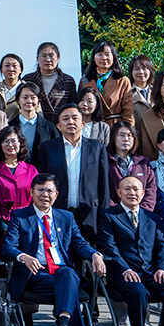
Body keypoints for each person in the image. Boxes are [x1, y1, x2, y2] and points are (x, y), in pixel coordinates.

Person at [0, 174, 107, 326]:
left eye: (49, 190)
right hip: (35, 274)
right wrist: (24, 257)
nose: (45, 194)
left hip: (60, 272)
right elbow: (8, 247)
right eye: (40, 189)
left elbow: (79, 243)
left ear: (56, 195)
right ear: (31, 192)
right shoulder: (20, 216)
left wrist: (95, 255)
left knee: (68, 275)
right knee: (70, 289)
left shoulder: (66, 217)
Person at [96, 175, 164, 326]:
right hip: (122, 275)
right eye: (127, 189)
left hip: (150, 273)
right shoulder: (108, 216)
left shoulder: (152, 217)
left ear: (143, 193)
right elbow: (108, 247)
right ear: (119, 192)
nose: (132, 193)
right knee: (138, 292)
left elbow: (163, 245)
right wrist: (125, 269)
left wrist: (162, 268)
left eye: (136, 189)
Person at [32, 103, 111, 241]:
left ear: (83, 124)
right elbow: (41, 183)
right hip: (57, 213)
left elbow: (104, 185)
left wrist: (103, 216)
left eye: (75, 118)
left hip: (89, 216)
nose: (70, 122)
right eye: (65, 118)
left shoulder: (97, 148)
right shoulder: (47, 148)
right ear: (58, 126)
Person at [0, 126, 39, 248]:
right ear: (0, 145)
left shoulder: (31, 170)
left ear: (20, 144)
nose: (10, 145)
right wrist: (3, 227)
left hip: (27, 224)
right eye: (6, 141)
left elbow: (36, 200)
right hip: (0, 226)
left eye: (14, 141)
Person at [19, 43, 78, 123]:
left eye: (51, 56)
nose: (48, 59)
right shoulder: (28, 79)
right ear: (38, 59)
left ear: (58, 58)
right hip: (36, 125)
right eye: (44, 56)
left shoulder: (68, 81)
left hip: (60, 125)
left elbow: (73, 107)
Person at [80, 41, 134, 126]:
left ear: (113, 57)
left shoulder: (122, 81)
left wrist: (129, 129)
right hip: (92, 126)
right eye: (100, 54)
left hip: (115, 126)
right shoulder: (85, 80)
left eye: (107, 54)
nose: (104, 58)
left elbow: (128, 110)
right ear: (94, 58)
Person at [108, 121, 157, 211]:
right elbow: (102, 191)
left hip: (140, 215)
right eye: (121, 135)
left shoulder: (143, 163)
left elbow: (150, 191)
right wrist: (117, 213)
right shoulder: (105, 161)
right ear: (113, 138)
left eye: (130, 135)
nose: (126, 139)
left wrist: (141, 212)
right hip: (112, 215)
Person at [10, 81, 58, 158]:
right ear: (18, 100)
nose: (29, 101)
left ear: (38, 100)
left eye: (33, 98)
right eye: (25, 97)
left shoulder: (49, 127)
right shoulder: (10, 126)